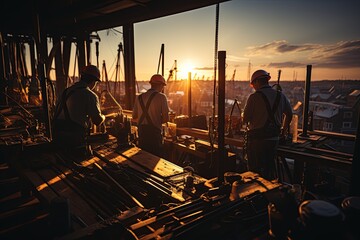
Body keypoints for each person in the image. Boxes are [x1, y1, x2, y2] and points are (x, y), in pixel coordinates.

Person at [243, 69, 292, 180]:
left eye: (253, 85)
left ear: (256, 82)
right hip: (273, 140)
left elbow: (245, 119)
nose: (253, 88)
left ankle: (255, 194)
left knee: (254, 174)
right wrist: (283, 132)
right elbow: (289, 114)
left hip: (256, 141)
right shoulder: (281, 96)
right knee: (269, 171)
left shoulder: (254, 97)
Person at [52, 64, 105, 158]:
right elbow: (97, 121)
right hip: (74, 142)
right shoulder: (90, 95)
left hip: (58, 138)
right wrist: (104, 116)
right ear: (94, 81)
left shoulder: (65, 91)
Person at [132, 74, 170, 157]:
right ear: (161, 85)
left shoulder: (139, 97)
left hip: (142, 134)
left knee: (144, 158)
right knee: (155, 159)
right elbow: (166, 119)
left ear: (151, 84)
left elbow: (134, 117)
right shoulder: (161, 97)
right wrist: (155, 118)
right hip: (155, 136)